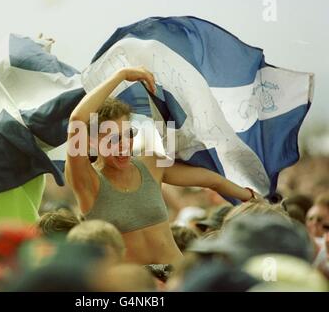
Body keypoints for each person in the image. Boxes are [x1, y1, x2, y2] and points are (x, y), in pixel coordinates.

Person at [65, 66, 260, 265]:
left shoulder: (150, 164)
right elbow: (77, 120)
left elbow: (212, 180)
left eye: (128, 134)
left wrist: (252, 198)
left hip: (176, 278)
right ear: (91, 142)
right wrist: (121, 75)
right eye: (113, 139)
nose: (124, 145)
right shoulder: (86, 181)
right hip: (133, 287)